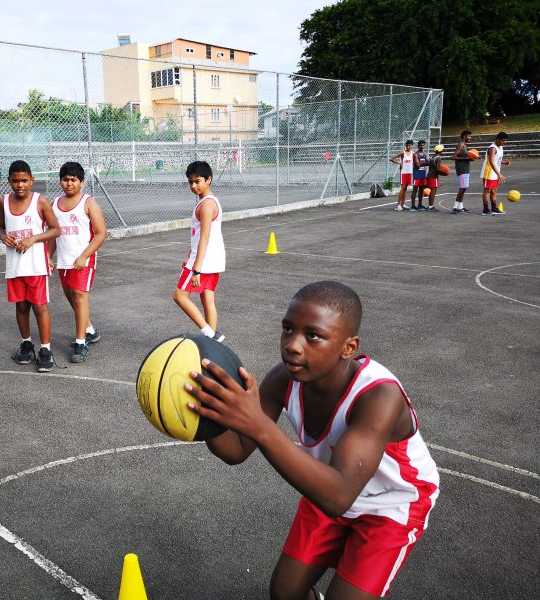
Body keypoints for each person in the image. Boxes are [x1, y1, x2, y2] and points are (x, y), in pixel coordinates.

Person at [185, 281, 440, 600]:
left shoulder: (379, 397)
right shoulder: (284, 379)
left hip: (392, 502)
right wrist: (208, 414)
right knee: (284, 592)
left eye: (313, 335)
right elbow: (235, 450)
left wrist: (259, 425)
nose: (293, 344)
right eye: (288, 329)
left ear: (349, 347)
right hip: (326, 484)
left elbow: (339, 497)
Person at [0, 160, 61, 372]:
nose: (20, 185)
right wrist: (4, 236)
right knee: (21, 306)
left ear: (31, 180)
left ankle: (45, 348)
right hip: (15, 266)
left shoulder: (40, 202)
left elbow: (55, 230)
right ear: (9, 181)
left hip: (35, 266)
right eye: (15, 181)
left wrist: (33, 239)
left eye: (24, 180)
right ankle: (26, 343)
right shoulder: (3, 202)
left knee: (39, 307)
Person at [47, 161, 107, 363]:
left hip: (83, 260)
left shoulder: (88, 203)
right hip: (64, 261)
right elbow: (54, 235)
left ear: (81, 182)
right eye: (65, 179)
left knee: (80, 296)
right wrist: (48, 257)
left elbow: (100, 234)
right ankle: (89, 329)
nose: (69, 183)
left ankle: (81, 342)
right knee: (71, 297)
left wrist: (84, 256)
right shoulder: (54, 204)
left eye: (73, 180)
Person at [173, 161, 226, 342]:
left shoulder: (206, 204)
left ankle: (210, 334)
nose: (194, 186)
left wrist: (196, 268)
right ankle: (212, 342)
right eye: (190, 182)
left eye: (198, 181)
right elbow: (198, 236)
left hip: (203, 261)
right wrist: (189, 254)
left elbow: (204, 237)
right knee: (207, 298)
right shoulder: (209, 201)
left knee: (179, 296)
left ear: (209, 179)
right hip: (212, 260)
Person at [480, 132, 510, 216]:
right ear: (497, 139)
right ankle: (485, 210)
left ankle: (494, 208)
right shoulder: (492, 148)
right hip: (488, 172)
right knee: (487, 190)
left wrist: (504, 162)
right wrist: (499, 174)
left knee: (494, 191)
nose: (504, 142)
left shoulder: (500, 147)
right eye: (503, 140)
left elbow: (497, 160)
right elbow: (491, 162)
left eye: (505, 141)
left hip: (495, 173)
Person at [451, 130, 475, 214]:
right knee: (463, 188)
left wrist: (470, 158)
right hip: (461, 169)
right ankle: (454, 207)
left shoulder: (464, 145)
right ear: (464, 136)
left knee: (464, 188)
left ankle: (460, 207)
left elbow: (463, 156)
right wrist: (466, 158)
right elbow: (453, 157)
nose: (470, 138)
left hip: (465, 168)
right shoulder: (461, 144)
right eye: (469, 136)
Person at [389, 140, 414, 211]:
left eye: (410, 145)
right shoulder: (403, 153)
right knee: (402, 189)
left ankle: (403, 204)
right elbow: (391, 158)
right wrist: (399, 163)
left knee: (405, 189)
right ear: (405, 145)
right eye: (407, 145)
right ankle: (398, 205)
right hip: (404, 173)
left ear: (412, 146)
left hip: (410, 173)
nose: (408, 147)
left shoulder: (413, 153)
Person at [424, 146, 445, 212]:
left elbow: (428, 164)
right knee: (433, 192)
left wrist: (422, 163)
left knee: (431, 192)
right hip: (433, 177)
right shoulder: (438, 158)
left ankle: (430, 206)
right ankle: (430, 206)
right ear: (441, 151)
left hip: (429, 175)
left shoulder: (433, 157)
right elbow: (438, 169)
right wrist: (444, 173)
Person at [410, 140, 428, 211]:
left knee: (421, 190)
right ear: (418, 146)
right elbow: (417, 165)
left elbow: (428, 162)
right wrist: (425, 163)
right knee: (415, 190)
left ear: (425, 146)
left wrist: (423, 163)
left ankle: (420, 205)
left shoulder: (425, 154)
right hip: (417, 174)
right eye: (421, 145)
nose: (422, 146)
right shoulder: (415, 154)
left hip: (422, 175)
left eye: (423, 145)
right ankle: (413, 206)